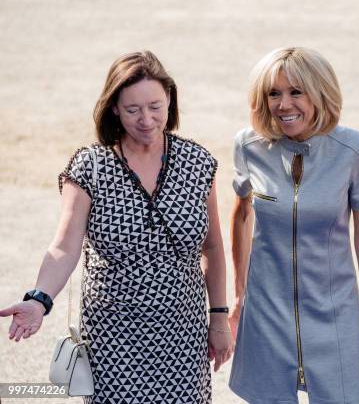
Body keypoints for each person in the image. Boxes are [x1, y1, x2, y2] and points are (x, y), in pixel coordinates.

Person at [0, 51, 233, 403]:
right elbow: (64, 247)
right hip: (114, 336)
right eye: (132, 109)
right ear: (113, 108)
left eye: (155, 106)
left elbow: (212, 248)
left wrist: (218, 318)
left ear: (170, 98)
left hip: (183, 333)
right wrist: (39, 299)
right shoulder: (89, 166)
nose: (146, 119)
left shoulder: (198, 162)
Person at [228, 47, 359, 404]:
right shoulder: (248, 146)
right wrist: (239, 297)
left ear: (320, 93)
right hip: (266, 311)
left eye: (296, 92)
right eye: (273, 93)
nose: (283, 104)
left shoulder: (354, 149)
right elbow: (241, 215)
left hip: (333, 310)